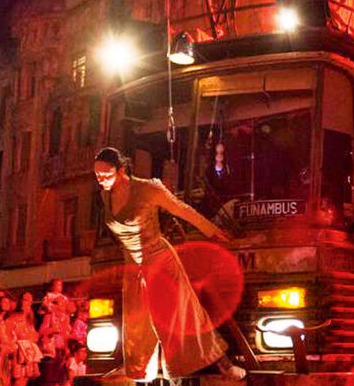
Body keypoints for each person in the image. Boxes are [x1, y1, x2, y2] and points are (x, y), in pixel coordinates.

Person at [93, 147, 244, 380]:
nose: (101, 180)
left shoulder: (148, 189)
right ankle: (136, 369)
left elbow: (182, 209)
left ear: (122, 170)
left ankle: (222, 363)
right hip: (133, 265)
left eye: (106, 174)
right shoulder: (105, 195)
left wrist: (211, 231)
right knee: (136, 320)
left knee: (179, 315)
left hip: (159, 260)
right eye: (97, 176)